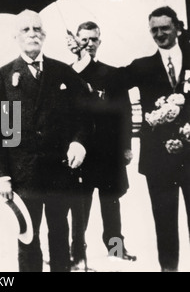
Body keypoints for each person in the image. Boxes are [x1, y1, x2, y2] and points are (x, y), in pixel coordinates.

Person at [0, 10, 91, 272]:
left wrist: (78, 142)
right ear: (16, 37)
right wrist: (1, 175)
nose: (32, 33)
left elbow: (85, 114)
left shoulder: (62, 72)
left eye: (37, 29)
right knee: (27, 238)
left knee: (59, 235)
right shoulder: (2, 76)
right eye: (25, 29)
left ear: (44, 35)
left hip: (59, 172)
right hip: (24, 173)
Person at [119, 6, 190, 272]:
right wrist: (83, 58)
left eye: (165, 28)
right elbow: (112, 80)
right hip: (158, 162)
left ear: (178, 28)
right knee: (165, 224)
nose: (159, 34)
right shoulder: (143, 67)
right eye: (154, 30)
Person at [66, 22, 136, 270]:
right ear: (74, 41)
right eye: (83, 39)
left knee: (112, 204)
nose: (89, 44)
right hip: (82, 153)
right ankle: (76, 256)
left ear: (100, 41)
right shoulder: (68, 73)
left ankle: (116, 249)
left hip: (109, 153)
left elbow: (125, 113)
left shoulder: (113, 74)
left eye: (93, 39)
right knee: (79, 207)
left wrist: (126, 147)